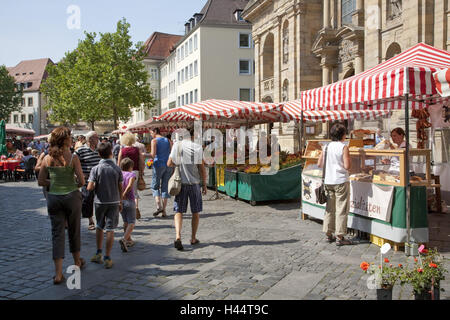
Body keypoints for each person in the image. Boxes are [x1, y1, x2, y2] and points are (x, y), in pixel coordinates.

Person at [37, 127, 86, 284]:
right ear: (65, 140)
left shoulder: (46, 158)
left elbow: (41, 181)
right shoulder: (73, 157)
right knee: (74, 230)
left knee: (57, 234)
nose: (72, 139)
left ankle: (58, 274)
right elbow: (82, 181)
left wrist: (55, 182)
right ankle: (77, 261)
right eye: (70, 137)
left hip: (54, 199)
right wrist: (71, 182)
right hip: (72, 196)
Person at [167, 127, 207, 251]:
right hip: (194, 183)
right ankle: (193, 238)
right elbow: (201, 168)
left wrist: (179, 163)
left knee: (179, 211)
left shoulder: (177, 146)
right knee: (195, 212)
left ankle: (178, 236)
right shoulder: (197, 147)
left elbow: (169, 163)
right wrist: (204, 184)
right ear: (193, 136)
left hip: (180, 183)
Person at [87, 142, 123, 269]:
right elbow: (120, 187)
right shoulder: (117, 169)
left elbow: (90, 187)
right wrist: (121, 201)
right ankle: (108, 257)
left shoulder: (95, 169)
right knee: (110, 229)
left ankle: (98, 252)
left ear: (98, 154)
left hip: (100, 202)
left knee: (99, 226)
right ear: (111, 153)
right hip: (113, 201)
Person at [317, 123, 353, 246]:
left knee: (329, 208)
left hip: (328, 181)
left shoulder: (326, 147)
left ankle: (328, 234)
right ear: (343, 135)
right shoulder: (344, 147)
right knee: (341, 209)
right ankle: (340, 236)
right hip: (341, 180)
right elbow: (347, 166)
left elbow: (319, 164)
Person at [75, 131, 101, 231]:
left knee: (100, 200)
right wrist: (80, 174)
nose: (98, 139)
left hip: (100, 180)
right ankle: (90, 220)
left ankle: (100, 220)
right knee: (87, 200)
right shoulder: (80, 150)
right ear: (90, 139)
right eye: (96, 137)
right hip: (87, 180)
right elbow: (74, 163)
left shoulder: (100, 149)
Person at [118, 133, 144, 220]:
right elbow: (141, 161)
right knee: (134, 191)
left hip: (124, 172)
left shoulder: (122, 150)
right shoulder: (137, 149)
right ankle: (135, 207)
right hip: (135, 171)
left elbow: (118, 162)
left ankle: (125, 205)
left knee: (124, 188)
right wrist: (141, 173)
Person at [150, 128, 173, 217]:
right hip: (168, 164)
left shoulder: (154, 141)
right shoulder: (168, 140)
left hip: (158, 164)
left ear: (155, 132)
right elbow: (171, 152)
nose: (151, 134)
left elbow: (152, 155)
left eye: (151, 132)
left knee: (155, 186)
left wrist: (144, 155)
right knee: (165, 187)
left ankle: (159, 206)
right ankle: (164, 211)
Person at [119, 157, 137, 252]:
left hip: (120, 201)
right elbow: (130, 185)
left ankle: (129, 240)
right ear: (130, 166)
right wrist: (124, 193)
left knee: (125, 221)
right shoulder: (131, 174)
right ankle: (124, 239)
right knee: (131, 222)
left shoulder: (119, 174)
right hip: (129, 199)